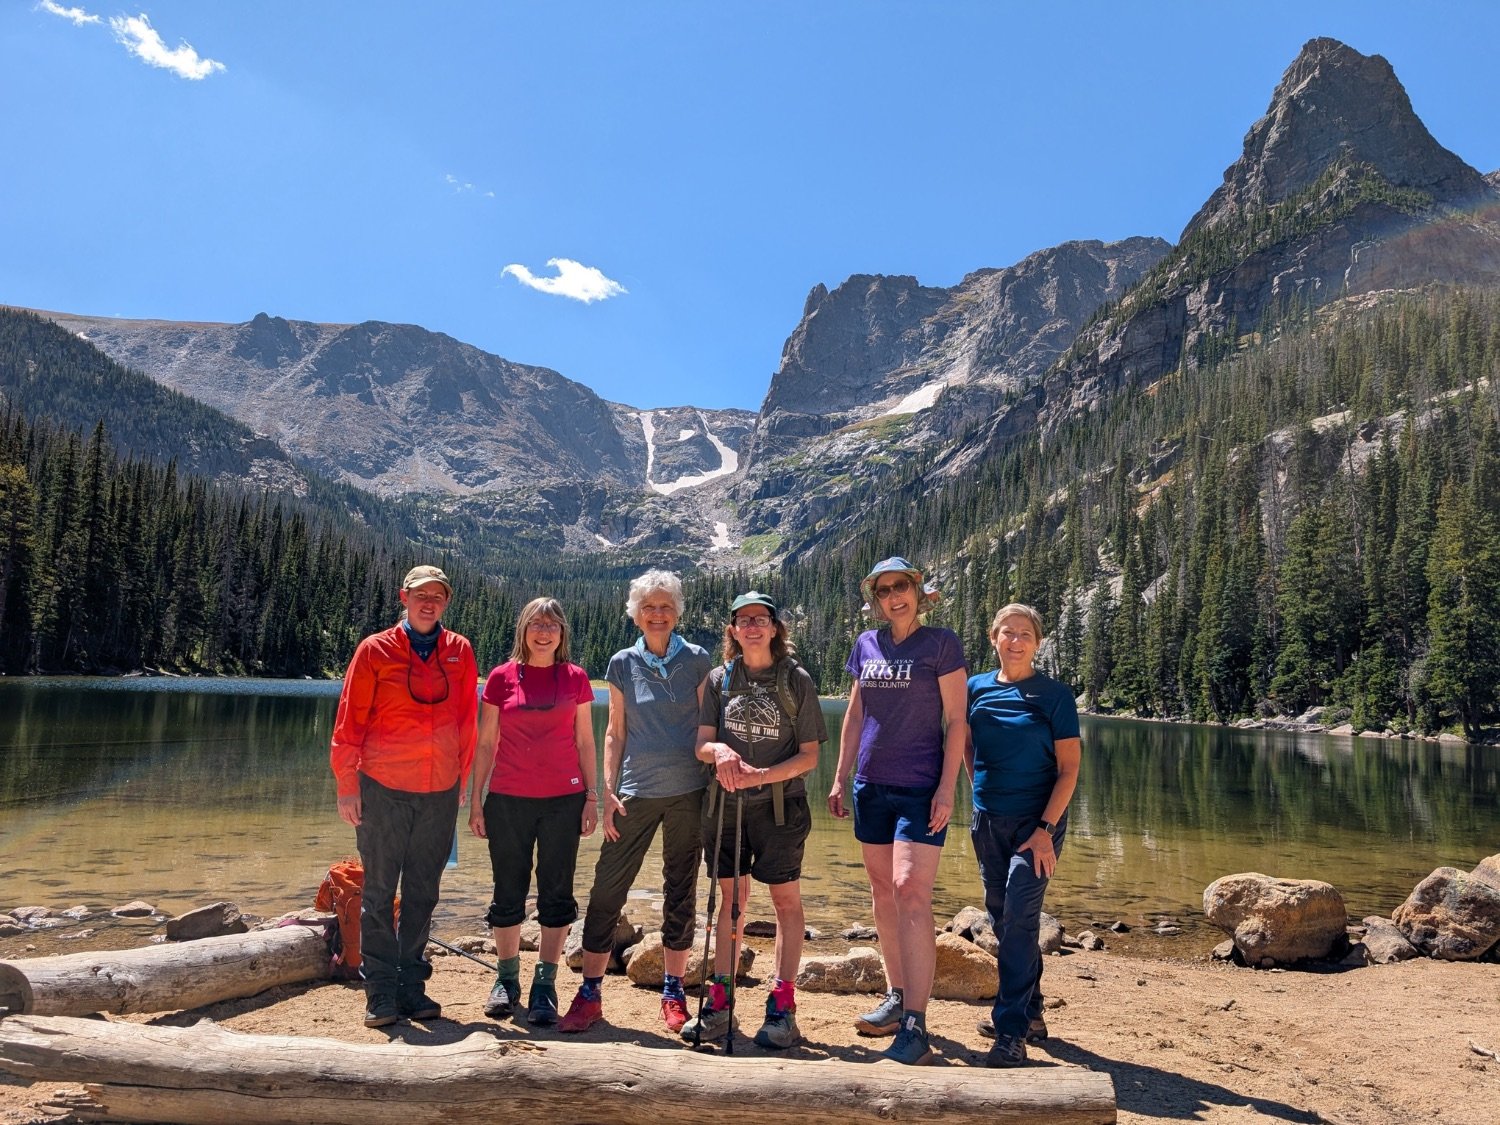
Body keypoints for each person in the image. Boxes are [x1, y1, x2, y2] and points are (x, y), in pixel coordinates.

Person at [559, 570, 712, 1033]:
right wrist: (605, 789)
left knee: (680, 890)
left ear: (677, 611)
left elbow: (708, 725)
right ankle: (589, 994)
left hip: (690, 790)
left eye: (666, 606)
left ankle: (673, 991)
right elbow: (615, 731)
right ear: (636, 615)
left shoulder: (699, 660)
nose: (658, 614)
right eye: (649, 607)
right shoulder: (622, 662)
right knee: (607, 889)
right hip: (634, 792)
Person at [827, 556, 967, 1065]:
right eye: (884, 590)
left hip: (919, 787)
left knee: (911, 890)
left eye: (901, 586)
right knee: (883, 891)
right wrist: (841, 775)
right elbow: (856, 712)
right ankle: (895, 995)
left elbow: (957, 720)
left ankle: (916, 1023)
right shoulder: (867, 644)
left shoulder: (941, 644)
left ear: (917, 589)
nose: (893, 596)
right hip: (871, 785)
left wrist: (948, 789)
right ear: (877, 598)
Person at [330, 564, 478, 1028]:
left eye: (438, 595)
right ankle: (379, 991)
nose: (429, 602)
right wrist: (347, 786)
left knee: (423, 893)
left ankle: (413, 987)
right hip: (382, 789)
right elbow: (349, 720)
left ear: (446, 603)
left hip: (439, 790)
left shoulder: (460, 650)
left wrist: (462, 780)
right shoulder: (375, 649)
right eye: (421, 594)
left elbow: (467, 721)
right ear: (404, 597)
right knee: (378, 891)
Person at [682, 591, 826, 1049]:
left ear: (775, 628)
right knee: (732, 901)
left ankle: (782, 1005)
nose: (752, 626)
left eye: (760, 619)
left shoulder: (795, 679)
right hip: (726, 808)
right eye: (743, 620)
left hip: (781, 808)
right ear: (732, 630)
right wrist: (720, 751)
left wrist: (763, 775)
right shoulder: (720, 679)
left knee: (785, 901)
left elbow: (810, 756)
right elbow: (702, 744)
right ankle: (720, 1001)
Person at [468, 597, 598, 1026]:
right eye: (536, 624)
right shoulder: (503, 678)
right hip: (507, 798)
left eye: (552, 626)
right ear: (523, 630)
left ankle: (545, 984)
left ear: (562, 635)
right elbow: (485, 743)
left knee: (556, 893)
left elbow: (585, 742)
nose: (544, 632)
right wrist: (475, 799)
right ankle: (506, 980)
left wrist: (592, 797)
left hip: (564, 800)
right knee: (507, 891)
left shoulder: (576, 678)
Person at [966, 603, 1081, 1068]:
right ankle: (1031, 1010)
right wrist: (976, 789)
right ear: (993, 637)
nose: (1015, 641)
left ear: (1037, 642)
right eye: (1007, 633)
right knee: (1002, 917)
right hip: (988, 821)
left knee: (1018, 911)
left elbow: (1069, 770)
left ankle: (1010, 1031)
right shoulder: (975, 688)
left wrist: (1045, 831)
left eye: (1025, 634)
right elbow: (967, 744)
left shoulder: (1054, 695)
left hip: (1038, 825)